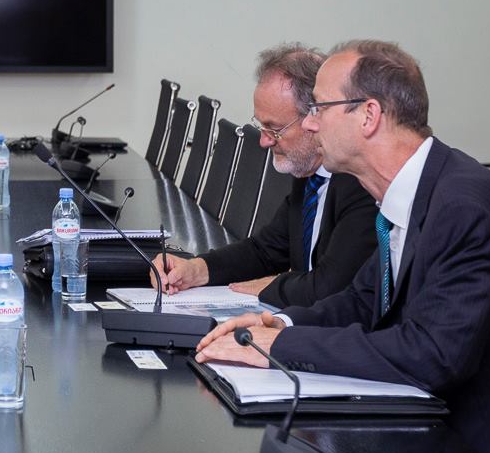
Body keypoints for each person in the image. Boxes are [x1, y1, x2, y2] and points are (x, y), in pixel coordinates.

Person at [195, 40, 490, 453]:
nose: (309, 123)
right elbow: (363, 299)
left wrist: (284, 347)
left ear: (368, 115)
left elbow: (432, 354)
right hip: (436, 439)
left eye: (319, 108)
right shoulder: (413, 190)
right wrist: (281, 325)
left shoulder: (463, 208)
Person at [151, 44, 376, 307]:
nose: (264, 141)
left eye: (274, 129)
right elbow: (266, 251)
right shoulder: (309, 174)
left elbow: (330, 288)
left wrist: (273, 285)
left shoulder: (360, 182)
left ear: (316, 119)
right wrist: (196, 269)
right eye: (262, 127)